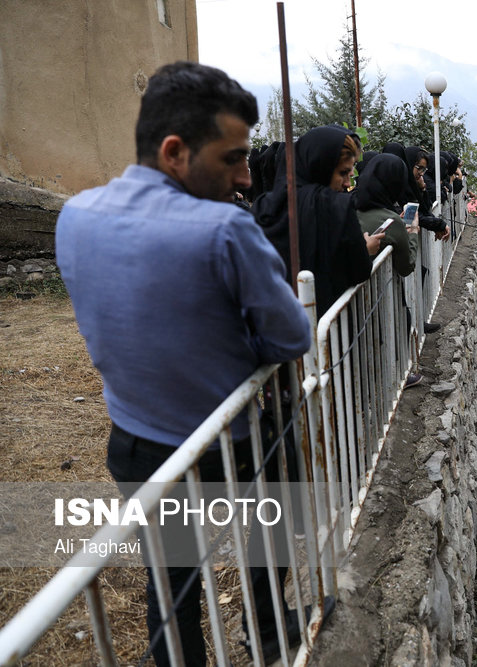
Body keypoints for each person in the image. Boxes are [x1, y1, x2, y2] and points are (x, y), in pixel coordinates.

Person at [56, 62, 311, 666]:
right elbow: (292, 335)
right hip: (231, 447)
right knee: (268, 535)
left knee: (170, 587)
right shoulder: (225, 230)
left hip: (136, 443)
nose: (246, 177)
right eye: (232, 159)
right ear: (175, 151)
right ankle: (270, 632)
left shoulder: (75, 216)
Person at [254, 125, 381, 315]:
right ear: (320, 166)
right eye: (342, 173)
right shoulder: (336, 206)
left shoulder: (263, 206)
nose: (347, 183)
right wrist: (366, 249)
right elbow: (359, 270)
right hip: (325, 331)